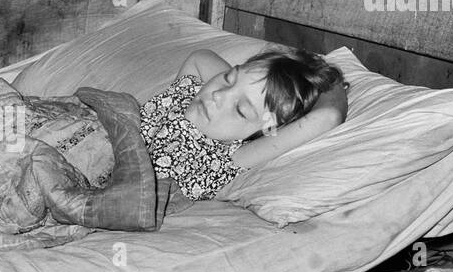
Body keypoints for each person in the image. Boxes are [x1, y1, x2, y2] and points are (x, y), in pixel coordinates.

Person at [140, 47, 347, 202]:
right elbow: (200, 57)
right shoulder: (188, 93)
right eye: (227, 79)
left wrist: (328, 77)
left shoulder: (227, 157)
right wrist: (246, 85)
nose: (218, 95)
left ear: (265, 130)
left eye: (241, 109)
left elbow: (327, 117)